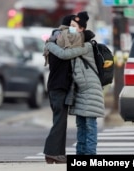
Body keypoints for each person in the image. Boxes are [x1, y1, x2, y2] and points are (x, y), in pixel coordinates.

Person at [44, 11, 105, 155]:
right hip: (80, 89)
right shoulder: (75, 42)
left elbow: (64, 54)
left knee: (90, 125)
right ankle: (80, 154)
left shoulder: (85, 46)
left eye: (73, 26)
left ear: (81, 29)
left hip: (90, 89)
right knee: (81, 125)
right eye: (69, 25)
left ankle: (90, 155)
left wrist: (49, 44)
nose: (70, 29)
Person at [43, 14, 90, 164]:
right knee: (60, 121)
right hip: (58, 87)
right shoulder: (60, 42)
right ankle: (52, 153)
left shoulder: (57, 41)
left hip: (56, 86)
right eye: (71, 27)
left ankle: (57, 154)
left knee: (60, 120)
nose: (73, 31)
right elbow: (66, 55)